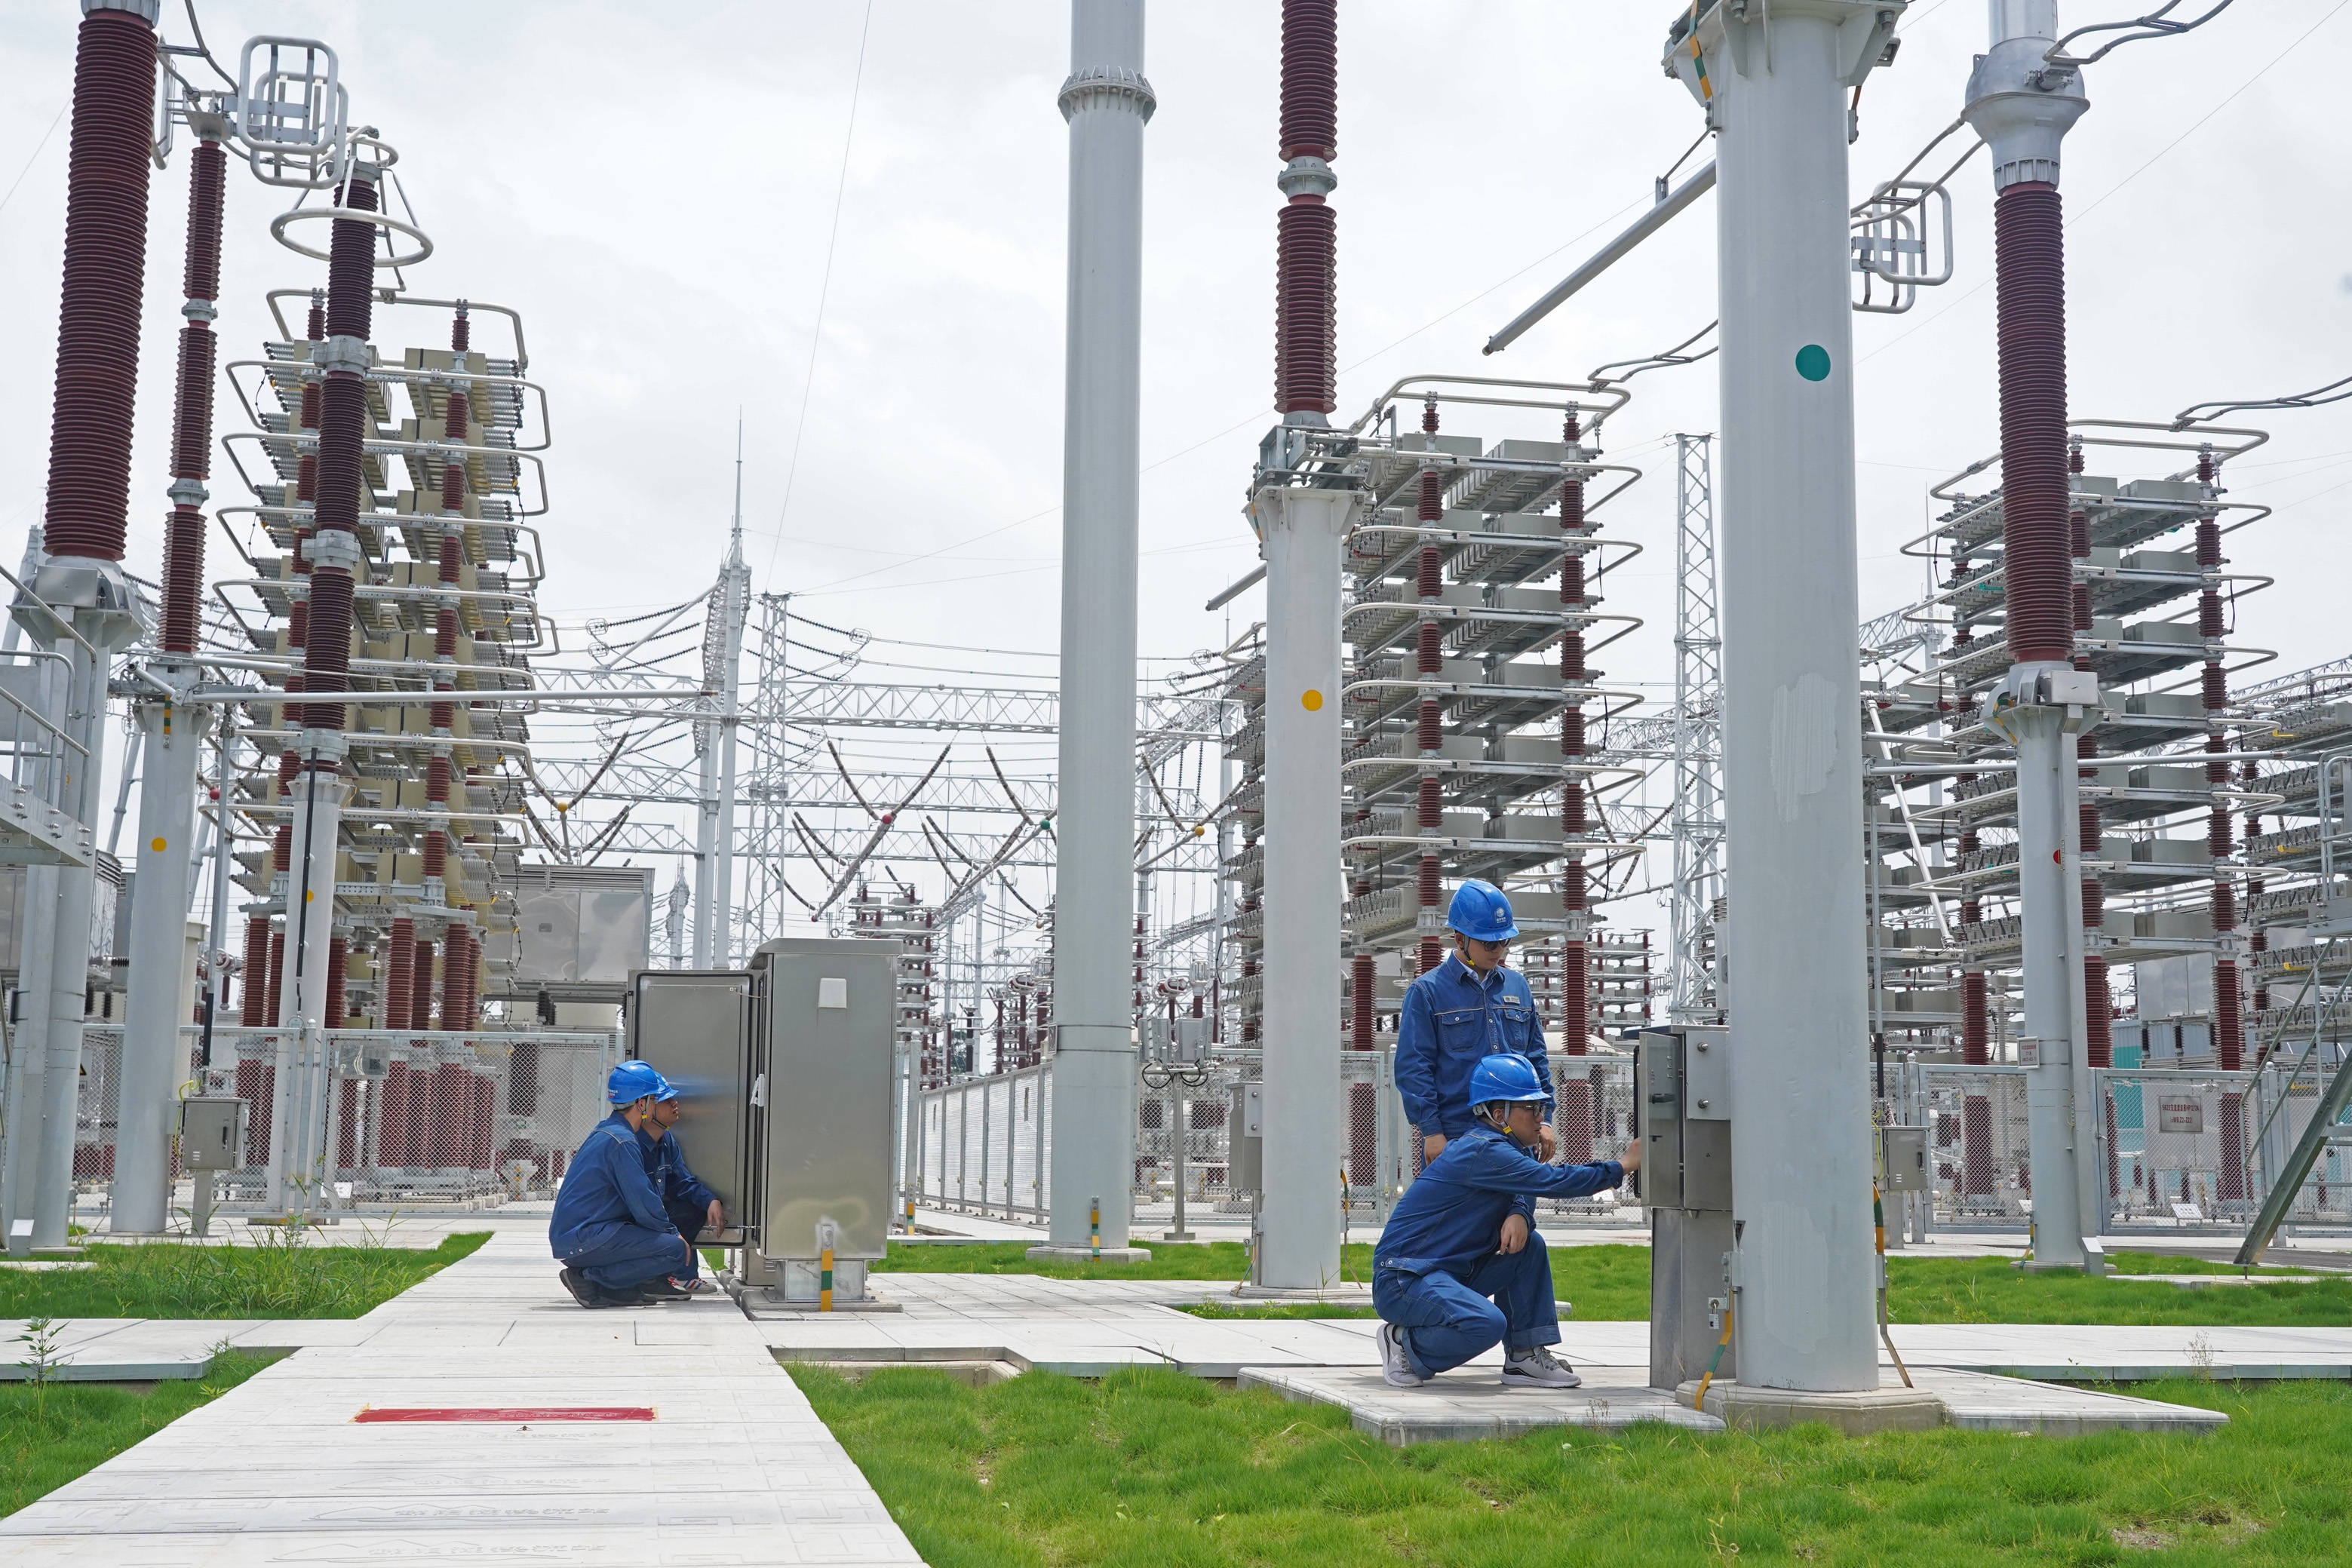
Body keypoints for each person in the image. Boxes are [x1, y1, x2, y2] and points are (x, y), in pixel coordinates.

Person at [1373, 1052, 1639, 1390]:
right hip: (1405, 1279)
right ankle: (1404, 1346)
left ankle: (1524, 1357)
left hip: (1444, 1273)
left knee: (1529, 1247)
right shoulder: (1483, 1149)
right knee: (1485, 1323)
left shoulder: (1501, 1148)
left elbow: (1523, 1184)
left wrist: (1518, 1212)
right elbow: (1553, 1181)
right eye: (1531, 1109)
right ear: (1499, 1114)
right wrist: (1623, 1165)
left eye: (1541, 1108)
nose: (1540, 1118)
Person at [1396, 879, 1555, 1167]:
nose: (1499, 950)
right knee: (1458, 1213)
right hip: (1457, 1135)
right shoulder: (1427, 992)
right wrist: (1432, 1131)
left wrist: (1545, 1120)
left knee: (1517, 1211)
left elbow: (1535, 1059)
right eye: (1490, 943)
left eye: (1504, 941)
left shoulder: (1518, 987)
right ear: (1460, 939)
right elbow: (1414, 1068)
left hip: (1515, 1135)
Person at [548, 1061, 697, 1309]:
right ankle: (589, 1280)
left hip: (577, 1235)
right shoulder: (623, 1142)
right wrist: (674, 1234)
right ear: (642, 1104)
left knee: (663, 1241)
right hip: (584, 1238)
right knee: (674, 1251)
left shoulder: (608, 1131)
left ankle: (616, 1288)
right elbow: (643, 1202)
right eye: (653, 1099)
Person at [640, 1079, 724, 1296]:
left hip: (649, 1215)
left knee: (691, 1209)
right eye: (667, 1100)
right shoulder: (630, 1144)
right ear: (646, 1107)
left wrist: (710, 1200)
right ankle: (649, 1278)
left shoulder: (666, 1139)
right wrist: (672, 1233)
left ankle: (681, 1275)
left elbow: (682, 1182)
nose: (675, 1103)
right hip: (630, 1220)